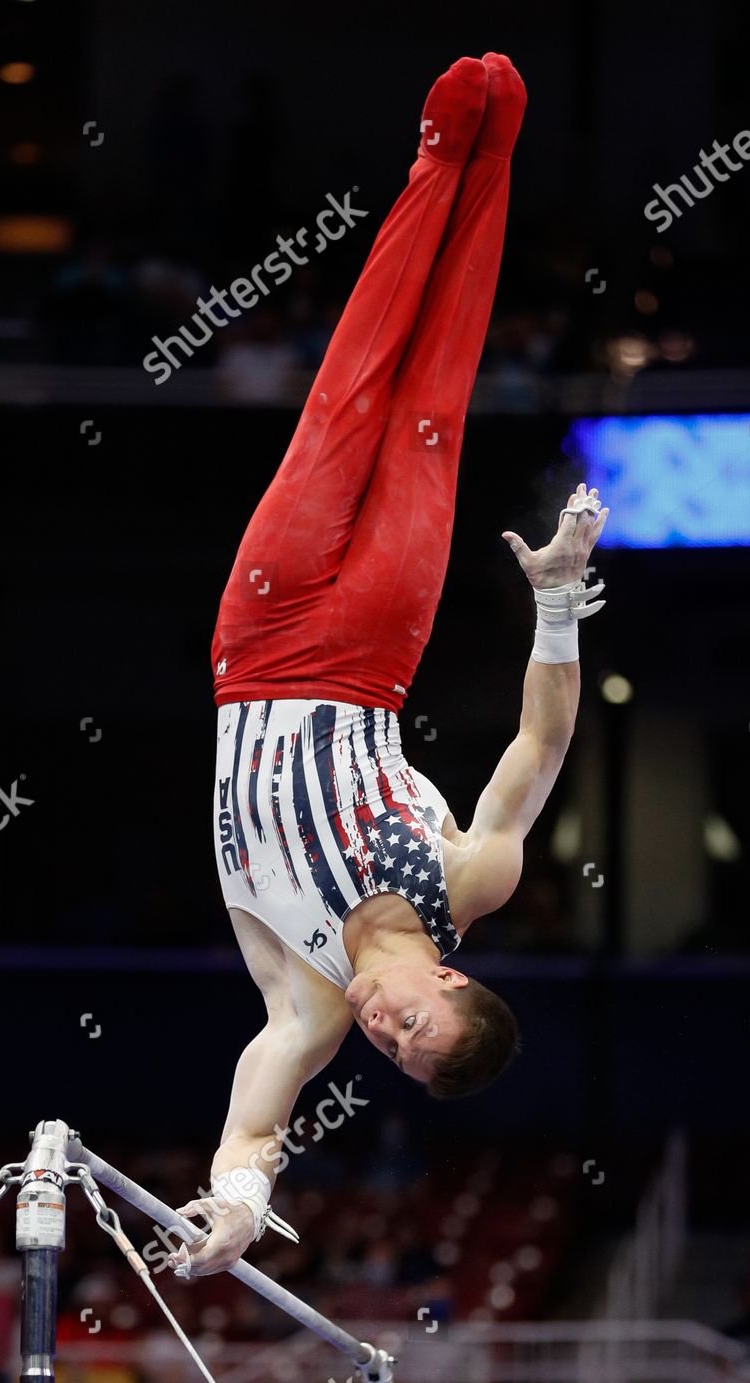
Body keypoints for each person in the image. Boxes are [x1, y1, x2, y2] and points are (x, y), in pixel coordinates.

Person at [170, 55, 609, 1279]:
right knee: (427, 411)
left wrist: (239, 1200)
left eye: (397, 1054)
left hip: (254, 645)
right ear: (451, 975)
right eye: (417, 1024)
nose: (384, 1031)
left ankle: (436, 159)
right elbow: (540, 747)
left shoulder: (304, 1000)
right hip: (374, 651)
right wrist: (560, 604)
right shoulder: (469, 879)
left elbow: (259, 1109)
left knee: (343, 405)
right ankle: (484, 156)